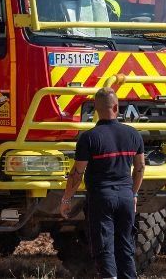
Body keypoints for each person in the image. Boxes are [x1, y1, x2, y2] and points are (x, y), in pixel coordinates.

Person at [60, 87, 146, 279]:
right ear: (116, 107)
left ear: (96, 110)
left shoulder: (89, 137)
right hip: (125, 196)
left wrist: (66, 199)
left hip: (101, 198)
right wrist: (133, 193)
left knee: (104, 246)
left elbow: (77, 173)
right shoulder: (133, 134)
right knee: (125, 245)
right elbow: (140, 168)